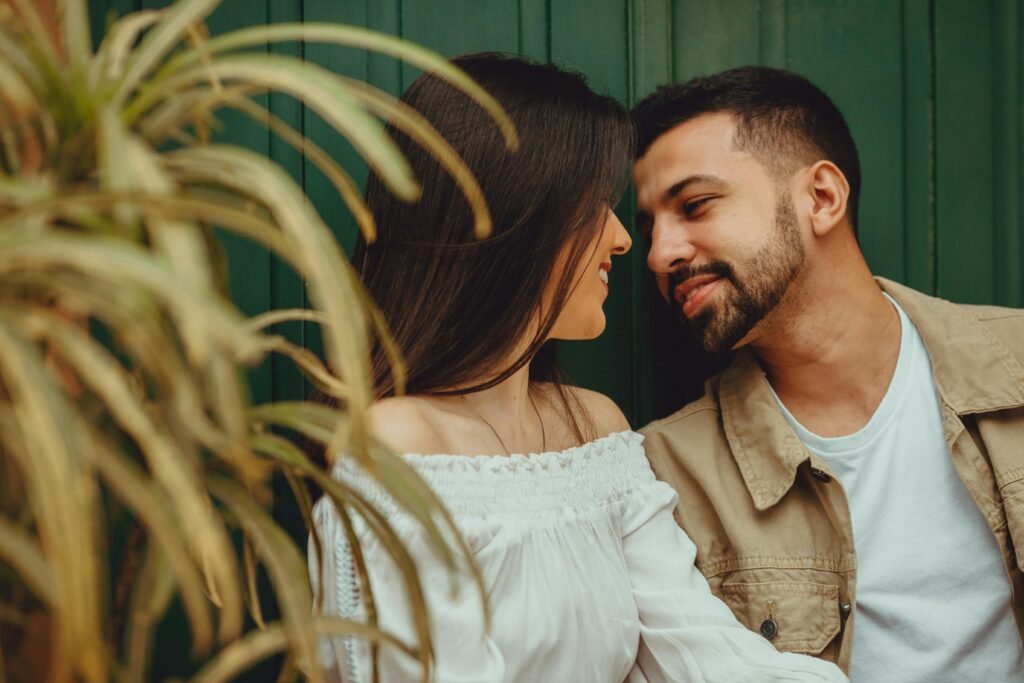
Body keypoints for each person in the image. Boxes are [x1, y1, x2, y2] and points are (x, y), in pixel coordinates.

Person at [309, 54, 846, 683]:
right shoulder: (396, 443)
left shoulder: (593, 427)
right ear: (518, 215)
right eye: (595, 207)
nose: (625, 240)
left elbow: (701, 651)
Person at [633, 65, 1024, 681]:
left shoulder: (1016, 362)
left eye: (695, 205)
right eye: (649, 228)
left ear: (821, 198)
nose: (660, 254)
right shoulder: (668, 472)